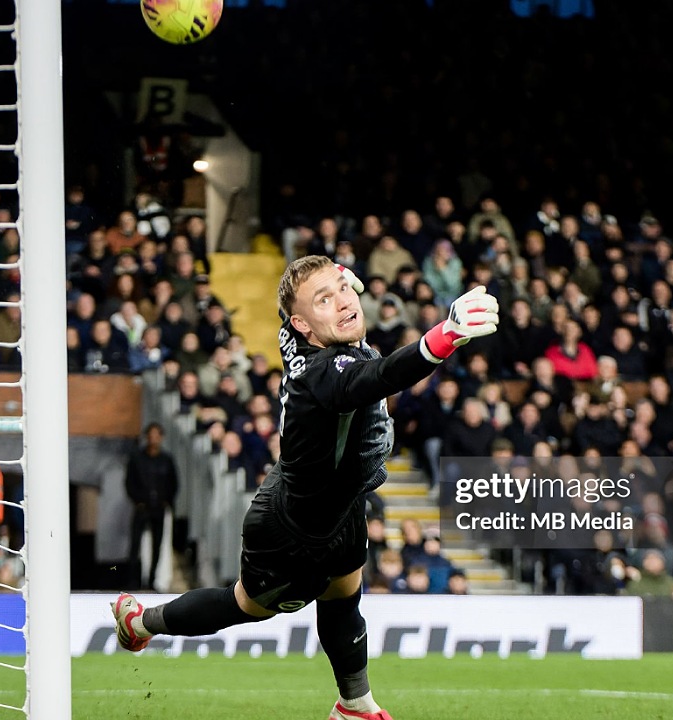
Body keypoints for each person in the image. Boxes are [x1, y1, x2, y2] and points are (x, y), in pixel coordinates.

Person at [112, 256, 499, 720]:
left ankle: (354, 704)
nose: (343, 301)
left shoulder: (297, 334)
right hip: (293, 529)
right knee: (246, 605)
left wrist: (330, 277)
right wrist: (446, 335)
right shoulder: (320, 375)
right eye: (324, 300)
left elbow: (297, 311)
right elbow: (382, 376)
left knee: (343, 594)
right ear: (304, 326)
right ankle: (141, 623)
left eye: (342, 290)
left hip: (341, 505)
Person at [124, 422, 179, 591]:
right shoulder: (136, 458)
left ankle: (152, 579)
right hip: (142, 507)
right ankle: (133, 580)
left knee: (157, 545)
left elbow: (174, 483)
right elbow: (129, 482)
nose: (154, 439)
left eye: (157, 435)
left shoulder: (167, 460)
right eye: (151, 435)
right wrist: (138, 500)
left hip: (158, 508)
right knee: (135, 545)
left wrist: (166, 501)